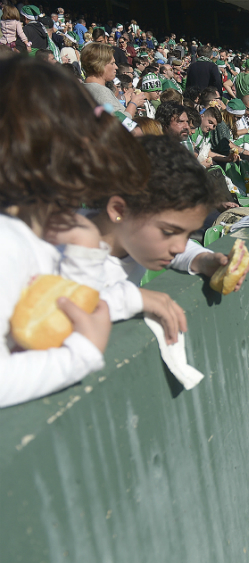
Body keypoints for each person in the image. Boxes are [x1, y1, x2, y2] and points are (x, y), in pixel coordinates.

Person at [0, 57, 149, 408]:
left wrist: (83, 252)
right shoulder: (6, 242)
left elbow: (65, 318)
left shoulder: (53, 231)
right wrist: (81, 355)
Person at [58, 135, 243, 346]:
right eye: (168, 232)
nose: (179, 247)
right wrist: (135, 298)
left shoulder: (132, 237)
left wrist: (201, 259)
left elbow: (177, 246)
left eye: (187, 234)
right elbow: (65, 305)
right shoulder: (63, 242)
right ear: (119, 210)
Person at [81, 42, 146, 119]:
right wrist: (134, 103)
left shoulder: (82, 88)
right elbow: (122, 124)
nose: (116, 67)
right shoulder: (101, 91)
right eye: (112, 63)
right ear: (100, 65)